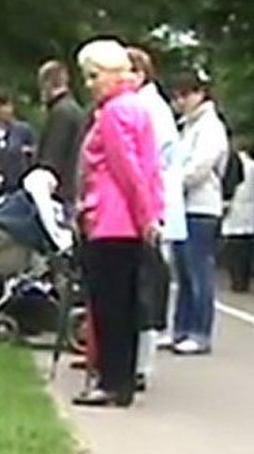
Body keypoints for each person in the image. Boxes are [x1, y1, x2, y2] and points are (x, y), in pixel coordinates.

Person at [72, 39, 163, 408]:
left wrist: (143, 216)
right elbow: (148, 169)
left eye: (93, 76)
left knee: (108, 305)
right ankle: (120, 380)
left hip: (111, 219)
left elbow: (128, 170)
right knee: (123, 305)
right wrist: (151, 214)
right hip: (127, 219)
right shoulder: (138, 108)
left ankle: (110, 381)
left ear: (111, 74)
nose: (90, 84)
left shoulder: (113, 114)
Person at [127, 47, 186, 388]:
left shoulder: (150, 108)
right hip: (155, 206)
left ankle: (142, 365)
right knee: (145, 285)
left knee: (147, 287)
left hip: (153, 208)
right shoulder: (149, 106)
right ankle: (137, 361)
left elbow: (152, 164)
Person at [169, 69, 229, 355]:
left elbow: (201, 166)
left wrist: (174, 182)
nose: (180, 102)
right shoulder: (188, 126)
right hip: (183, 207)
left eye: (184, 95)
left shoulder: (210, 127)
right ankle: (181, 329)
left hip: (202, 206)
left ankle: (200, 331)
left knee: (199, 270)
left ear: (199, 94)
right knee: (182, 271)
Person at [36, 60, 87, 204]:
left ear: (47, 84)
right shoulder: (74, 109)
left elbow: (52, 158)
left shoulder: (61, 113)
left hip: (61, 194)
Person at [0, 88, 36, 197]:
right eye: (3, 106)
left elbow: (35, 157)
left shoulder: (23, 131)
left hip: (21, 192)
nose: (8, 110)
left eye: (10, 105)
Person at [223, 142, 254, 293]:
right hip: (245, 212)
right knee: (245, 249)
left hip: (237, 209)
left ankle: (238, 281)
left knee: (236, 249)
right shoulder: (248, 164)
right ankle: (243, 281)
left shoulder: (237, 161)